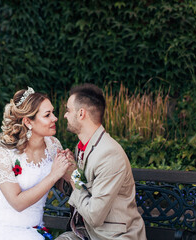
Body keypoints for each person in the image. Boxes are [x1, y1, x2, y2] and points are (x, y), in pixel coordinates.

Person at [0, 87, 72, 240]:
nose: (55, 118)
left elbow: (62, 186)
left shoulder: (54, 145)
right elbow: (17, 203)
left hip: (32, 229)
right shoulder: (4, 155)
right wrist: (54, 175)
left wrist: (70, 170)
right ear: (28, 121)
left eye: (53, 112)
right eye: (47, 115)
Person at [56, 83, 146, 240]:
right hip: (88, 233)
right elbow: (83, 188)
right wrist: (69, 170)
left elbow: (94, 216)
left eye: (68, 110)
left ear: (81, 113)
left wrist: (73, 177)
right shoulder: (83, 147)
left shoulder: (109, 154)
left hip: (113, 236)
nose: (65, 115)